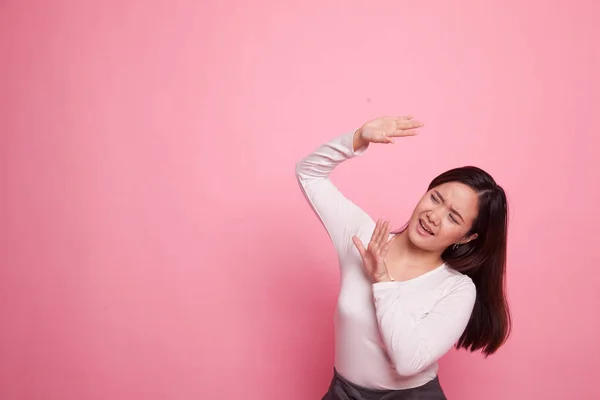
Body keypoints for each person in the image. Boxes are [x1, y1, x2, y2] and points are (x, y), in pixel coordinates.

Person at [295, 115, 511, 400]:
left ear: (466, 237)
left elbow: (409, 361)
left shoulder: (456, 288)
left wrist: (382, 281)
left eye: (453, 217)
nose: (434, 216)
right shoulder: (363, 238)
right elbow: (308, 173)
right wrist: (358, 138)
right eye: (435, 198)